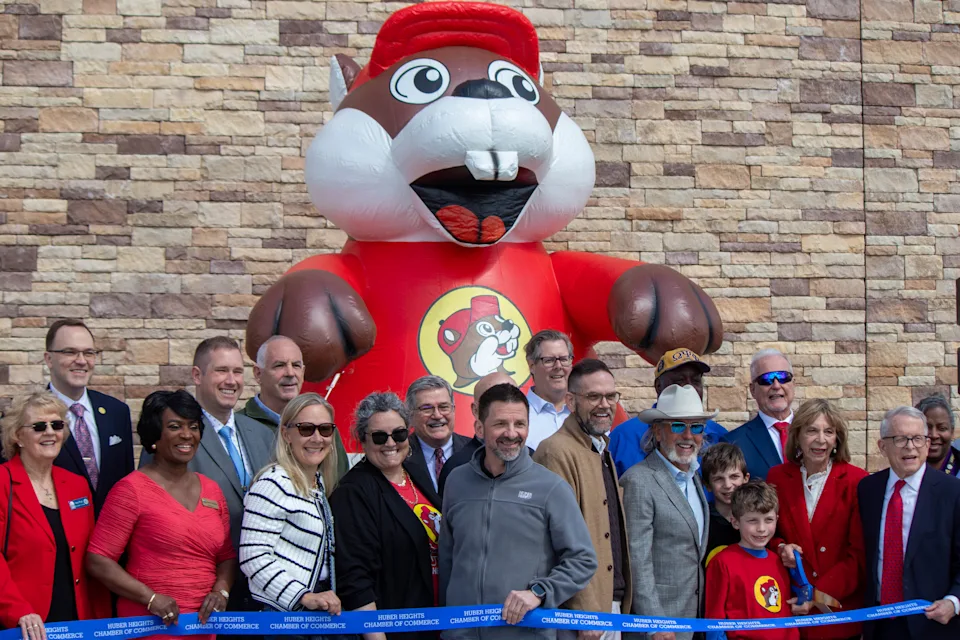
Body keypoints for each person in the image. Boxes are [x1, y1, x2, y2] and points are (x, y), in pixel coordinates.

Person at [440, 383, 597, 640]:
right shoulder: (457, 482)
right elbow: (448, 558)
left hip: (526, 634)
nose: (512, 433)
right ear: (479, 428)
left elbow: (583, 560)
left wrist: (539, 592)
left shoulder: (551, 487)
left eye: (520, 424)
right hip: (462, 635)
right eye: (500, 424)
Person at [137, 336, 273, 625]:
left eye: (238, 371)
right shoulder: (175, 438)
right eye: (221, 370)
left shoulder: (262, 434)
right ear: (197, 375)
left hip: (263, 591)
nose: (232, 380)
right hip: (200, 598)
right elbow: (151, 520)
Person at [87, 390, 236, 640]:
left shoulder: (212, 489)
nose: (187, 435)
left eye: (194, 426)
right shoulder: (131, 490)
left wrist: (221, 591)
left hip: (203, 626)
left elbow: (226, 557)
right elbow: (98, 560)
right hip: (150, 624)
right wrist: (151, 598)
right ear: (155, 434)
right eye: (175, 426)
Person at [328, 392, 440, 640]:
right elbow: (355, 579)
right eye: (379, 436)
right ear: (363, 440)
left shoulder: (416, 474)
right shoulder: (353, 492)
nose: (391, 443)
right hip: (397, 630)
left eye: (398, 434)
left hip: (436, 624)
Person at [533, 360, 631, 640]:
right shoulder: (556, 451)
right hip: (584, 614)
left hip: (608, 604)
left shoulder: (601, 447)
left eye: (610, 396)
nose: (604, 404)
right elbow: (558, 539)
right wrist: (583, 610)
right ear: (571, 401)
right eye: (593, 396)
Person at [0, 392, 106, 640]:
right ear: (18, 436)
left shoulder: (78, 485)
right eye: (39, 426)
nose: (50, 432)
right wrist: (18, 611)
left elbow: (90, 556)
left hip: (78, 620)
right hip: (24, 624)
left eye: (57, 425)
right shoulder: (3, 482)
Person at [240, 393, 346, 639]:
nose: (317, 438)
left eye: (325, 429)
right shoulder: (273, 482)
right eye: (306, 429)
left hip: (313, 616)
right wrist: (302, 596)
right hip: (282, 620)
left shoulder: (317, 483)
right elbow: (252, 556)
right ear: (287, 435)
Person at [766, 399, 867, 640]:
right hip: (790, 614)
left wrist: (815, 595)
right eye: (812, 430)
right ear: (798, 435)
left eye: (828, 432)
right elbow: (766, 533)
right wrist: (781, 547)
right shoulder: (778, 477)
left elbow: (859, 556)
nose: (820, 439)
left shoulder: (857, 481)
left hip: (837, 614)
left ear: (837, 439)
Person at [858, 406, 960, 640]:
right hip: (880, 623)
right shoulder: (868, 489)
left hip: (934, 625)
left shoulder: (952, 492)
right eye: (900, 439)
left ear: (926, 444)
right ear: (883, 446)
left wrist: (953, 602)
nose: (910, 446)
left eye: (917, 438)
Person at [620, 384, 713, 640]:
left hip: (692, 622)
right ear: (657, 432)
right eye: (677, 426)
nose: (687, 435)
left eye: (696, 427)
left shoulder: (693, 476)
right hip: (660, 629)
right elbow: (637, 561)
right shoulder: (639, 481)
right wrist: (655, 623)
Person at [43, 319, 134, 514]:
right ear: (49, 359)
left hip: (111, 536)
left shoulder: (117, 412)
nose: (82, 360)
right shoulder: (29, 419)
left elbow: (126, 482)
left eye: (89, 353)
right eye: (70, 352)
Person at [238, 335, 349, 480]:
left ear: (303, 372)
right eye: (279, 365)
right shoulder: (238, 426)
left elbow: (339, 482)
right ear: (258, 374)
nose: (290, 373)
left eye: (296, 365)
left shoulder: (322, 427)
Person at [704, 481, 800, 640]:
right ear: (735, 522)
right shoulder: (722, 562)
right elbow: (714, 619)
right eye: (753, 521)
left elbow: (785, 614)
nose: (761, 528)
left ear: (777, 519)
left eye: (768, 520)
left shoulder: (779, 561)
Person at [609, 348, 727, 477]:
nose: (689, 388)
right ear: (658, 386)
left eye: (695, 381)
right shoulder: (623, 437)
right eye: (679, 381)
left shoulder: (719, 437)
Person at [722, 348, 796, 480]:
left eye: (783, 377)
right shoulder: (734, 443)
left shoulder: (816, 433)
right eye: (766, 379)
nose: (776, 385)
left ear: (793, 383)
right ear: (752, 390)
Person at [437, 372, 515, 496]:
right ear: (475, 410)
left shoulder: (534, 460)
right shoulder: (456, 468)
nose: (505, 408)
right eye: (494, 401)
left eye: (513, 399)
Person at [404, 376, 471, 493]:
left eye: (443, 407)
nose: (437, 415)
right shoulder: (399, 455)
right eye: (427, 408)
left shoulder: (477, 452)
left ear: (453, 410)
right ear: (410, 415)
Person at [524, 330, 574, 450]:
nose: (558, 366)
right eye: (549, 360)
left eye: (563, 359)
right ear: (532, 366)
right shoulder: (517, 416)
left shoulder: (584, 411)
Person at [701, 443, 749, 562]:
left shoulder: (757, 519)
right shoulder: (702, 522)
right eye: (718, 479)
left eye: (734, 477)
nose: (727, 485)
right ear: (707, 485)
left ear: (746, 479)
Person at [916, 393, 958, 476]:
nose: (934, 435)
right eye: (927, 428)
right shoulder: (905, 470)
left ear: (952, 432)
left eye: (942, 428)